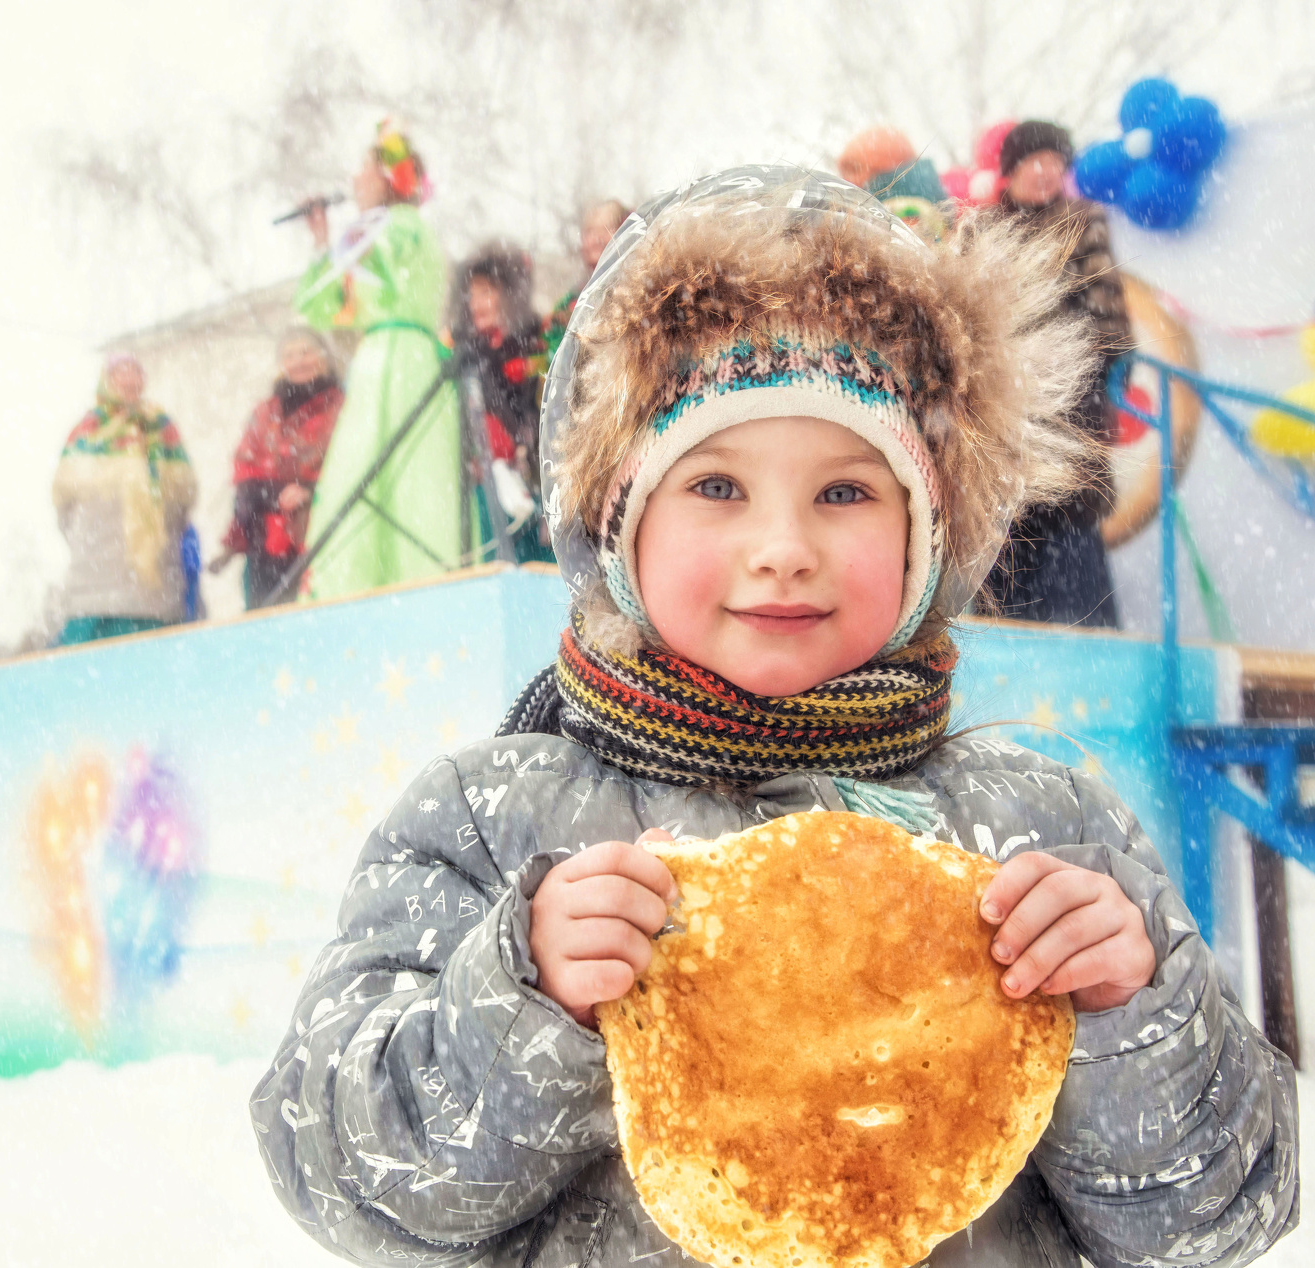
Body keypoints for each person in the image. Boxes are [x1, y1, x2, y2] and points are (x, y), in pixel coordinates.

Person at [251, 169, 1297, 1267]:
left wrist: (1129, 1014)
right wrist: (522, 997)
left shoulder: (1039, 827)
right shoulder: (493, 817)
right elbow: (333, 1167)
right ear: (618, 519)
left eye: (844, 492)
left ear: (927, 533)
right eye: (716, 487)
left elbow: (1222, 1215)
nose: (783, 544)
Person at [293, 121, 460, 600]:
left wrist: (327, 243)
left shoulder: (387, 229)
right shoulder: (411, 231)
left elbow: (319, 301)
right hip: (412, 358)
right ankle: (422, 582)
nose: (354, 180)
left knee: (367, 469)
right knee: (416, 481)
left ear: (389, 177)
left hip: (390, 361)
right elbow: (327, 303)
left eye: (364, 169)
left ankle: (352, 584)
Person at [984, 120, 1131, 627]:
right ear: (1010, 171)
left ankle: (1085, 649)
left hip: (1068, 408)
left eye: (1056, 162)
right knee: (1001, 536)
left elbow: (1109, 323)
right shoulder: (981, 231)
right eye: (1035, 161)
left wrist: (1060, 357)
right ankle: (1001, 652)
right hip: (1001, 411)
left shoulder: (1080, 222)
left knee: (1071, 547)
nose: (1047, 172)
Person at [52, 352, 197, 644]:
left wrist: (153, 530)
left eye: (135, 372)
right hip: (94, 580)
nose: (129, 379)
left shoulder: (160, 428)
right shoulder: (87, 431)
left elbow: (182, 499)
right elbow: (64, 503)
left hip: (152, 584)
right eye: (121, 372)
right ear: (107, 380)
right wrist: (93, 535)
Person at [209, 329, 343, 608]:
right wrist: (278, 492)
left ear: (325, 358)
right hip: (265, 542)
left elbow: (349, 462)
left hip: (320, 531)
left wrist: (308, 491)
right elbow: (245, 470)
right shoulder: (265, 412)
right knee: (266, 621)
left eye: (306, 352)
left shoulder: (340, 407)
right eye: (289, 355)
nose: (298, 361)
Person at [449, 243, 551, 563]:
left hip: (535, 479)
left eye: (485, 292)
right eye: (471, 294)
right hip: (487, 485)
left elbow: (540, 408)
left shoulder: (536, 342)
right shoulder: (466, 354)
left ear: (509, 294)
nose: (475, 303)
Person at [542, 199, 629, 362]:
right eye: (590, 232)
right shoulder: (570, 301)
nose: (597, 238)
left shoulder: (635, 289)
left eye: (607, 229)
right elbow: (554, 358)